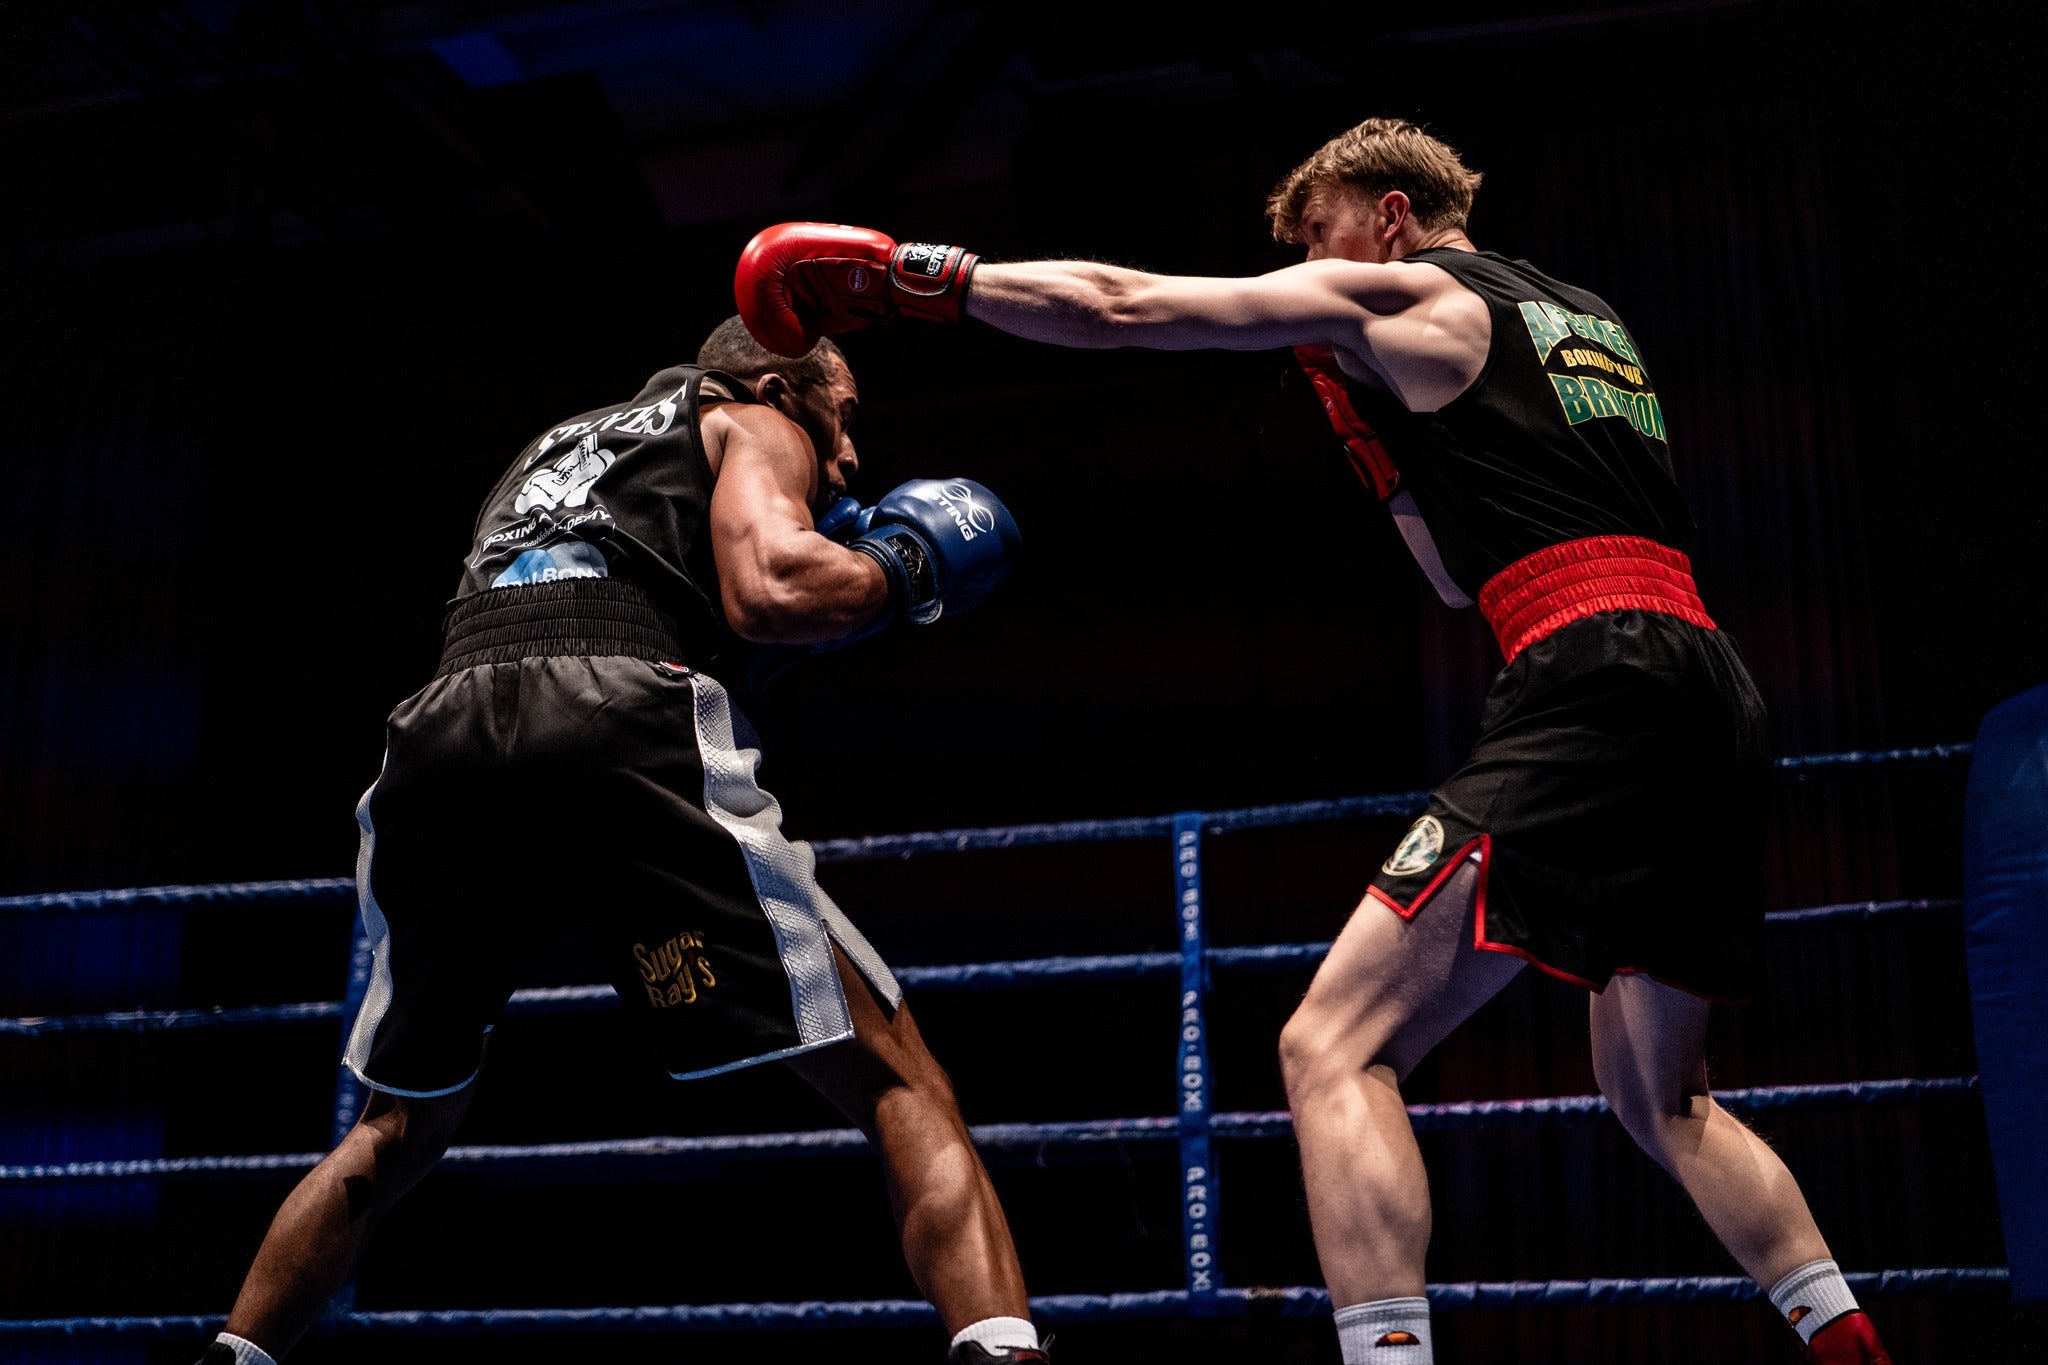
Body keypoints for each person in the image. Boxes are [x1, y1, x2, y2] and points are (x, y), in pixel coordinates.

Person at [732, 118, 1893, 1365]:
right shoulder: (1584, 321)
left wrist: (919, 277)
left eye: (1316, 233)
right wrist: (1377, 444)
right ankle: (1850, 1345)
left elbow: (1124, 307)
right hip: (1706, 686)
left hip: (1587, 676)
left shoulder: (1404, 287)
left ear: (1386, 214)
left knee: (1330, 1046)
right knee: (1661, 1097)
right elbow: (1455, 578)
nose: (1301, 266)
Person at [191, 318, 1045, 1365]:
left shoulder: (560, 444)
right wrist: (900, 566)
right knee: (900, 1080)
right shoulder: (747, 415)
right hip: (611, 708)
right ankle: (1006, 1355)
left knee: (396, 1122)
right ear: (781, 381)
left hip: (439, 734)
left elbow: (607, 601)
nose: (853, 451)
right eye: (845, 413)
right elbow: (772, 589)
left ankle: (232, 1355)